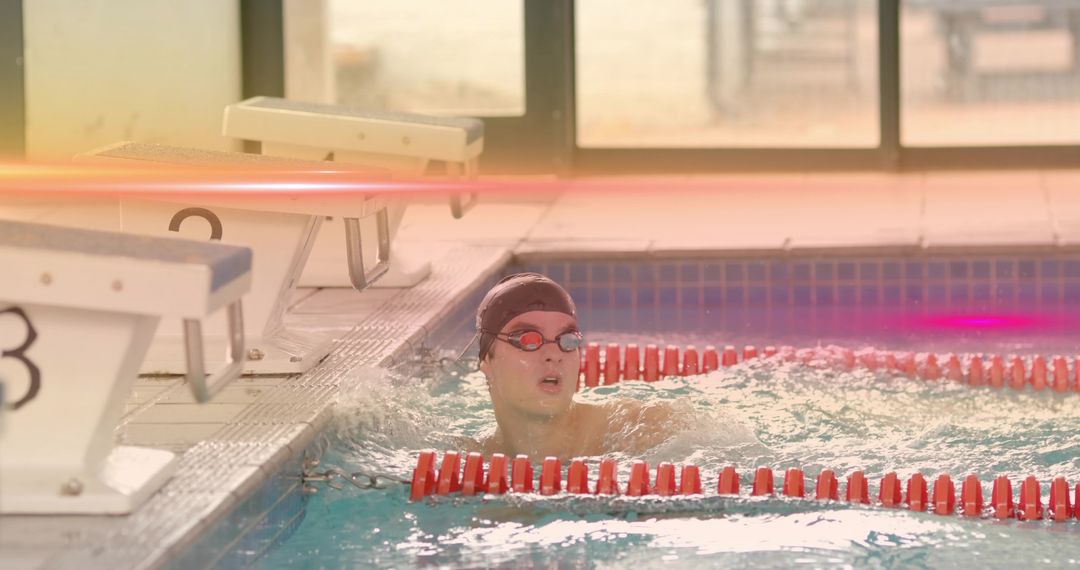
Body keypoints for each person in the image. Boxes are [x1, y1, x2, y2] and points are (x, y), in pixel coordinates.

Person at [464, 272, 683, 461]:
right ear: (486, 361)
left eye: (566, 339)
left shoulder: (637, 429)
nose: (554, 354)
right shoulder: (467, 457)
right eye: (528, 340)